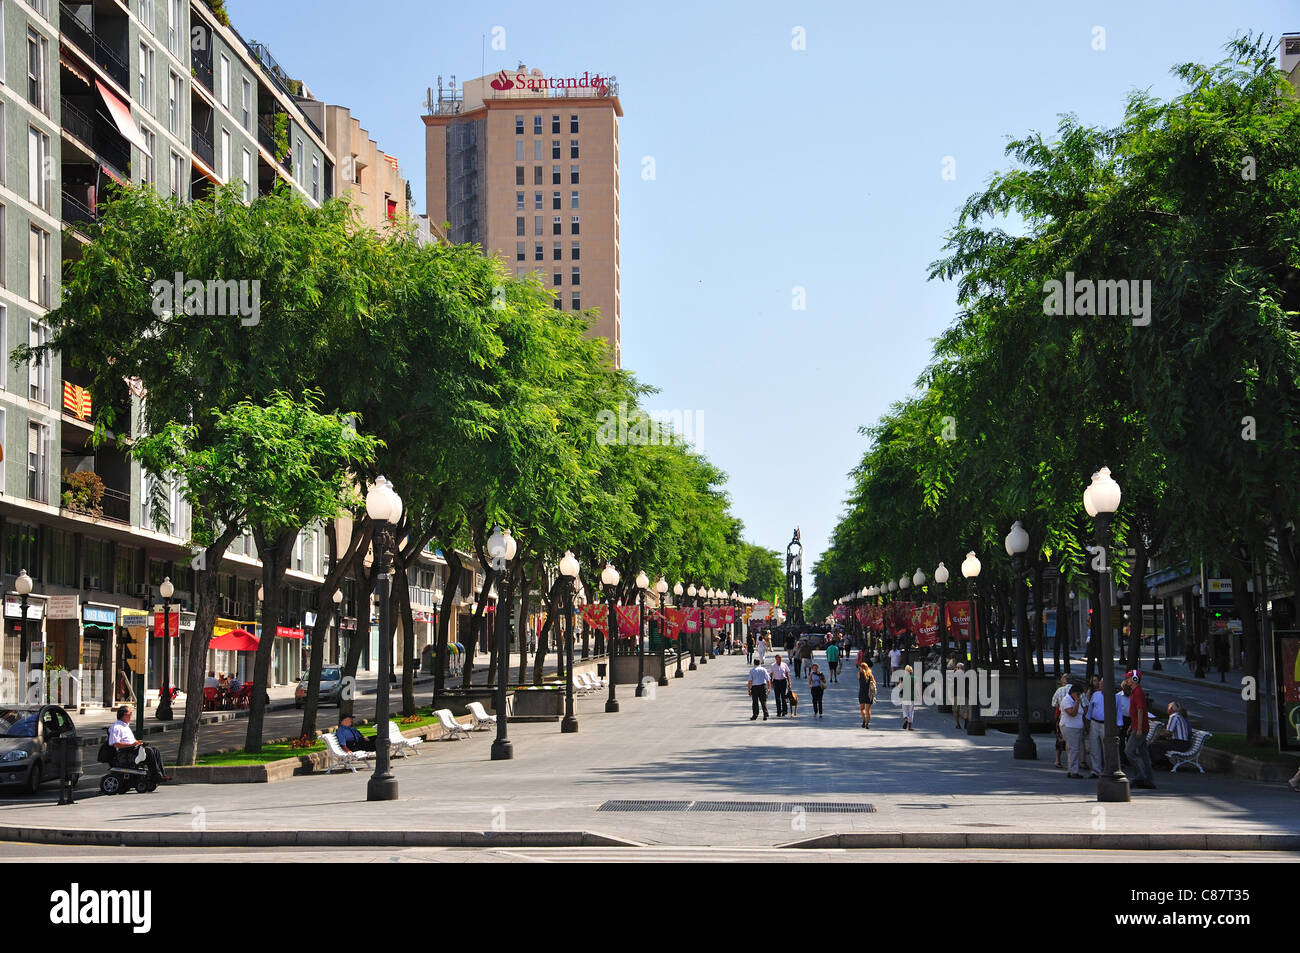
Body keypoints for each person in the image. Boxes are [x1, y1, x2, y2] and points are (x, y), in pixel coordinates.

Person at [107, 706, 170, 781]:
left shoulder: (125, 726)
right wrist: (133, 744)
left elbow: (129, 740)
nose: (131, 715)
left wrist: (137, 742)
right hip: (125, 752)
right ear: (125, 715)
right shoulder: (117, 727)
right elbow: (116, 744)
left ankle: (162, 774)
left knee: (155, 750)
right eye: (130, 713)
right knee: (149, 751)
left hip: (133, 748)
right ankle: (156, 774)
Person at [1124, 671, 1156, 789]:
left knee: (1128, 752)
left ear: (1135, 679)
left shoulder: (1137, 692)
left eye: (1128, 677)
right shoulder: (1135, 692)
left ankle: (1140, 777)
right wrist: (1131, 726)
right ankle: (1149, 779)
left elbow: (1140, 710)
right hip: (1138, 727)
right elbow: (1136, 712)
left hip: (1140, 729)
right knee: (1144, 755)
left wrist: (1139, 728)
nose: (1126, 679)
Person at [1150, 701, 1192, 766]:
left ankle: (1162, 763)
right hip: (1184, 743)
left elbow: (1168, 733)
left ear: (1171, 709)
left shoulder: (1173, 716)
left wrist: (1160, 735)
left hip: (1179, 744)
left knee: (1155, 744)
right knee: (1160, 743)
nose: (1167, 709)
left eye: (1168, 707)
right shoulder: (1179, 716)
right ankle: (1160, 762)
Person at [1059, 683, 1085, 778]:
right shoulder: (1066, 701)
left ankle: (1071, 769)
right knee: (1074, 749)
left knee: (1072, 749)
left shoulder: (1072, 700)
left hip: (1075, 727)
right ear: (1073, 693)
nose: (1079, 696)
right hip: (1070, 727)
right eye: (1078, 694)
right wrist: (1077, 702)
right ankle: (1074, 771)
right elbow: (1072, 713)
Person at [1084, 674, 1106, 778]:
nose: (1100, 684)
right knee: (1094, 747)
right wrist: (1088, 723)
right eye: (1100, 682)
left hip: (1105, 724)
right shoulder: (1096, 695)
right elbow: (1090, 709)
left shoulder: (1114, 697)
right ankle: (1096, 770)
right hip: (1094, 722)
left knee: (1106, 748)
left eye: (1102, 683)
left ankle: (1107, 769)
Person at [1050, 674, 1070, 768]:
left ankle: (1058, 760)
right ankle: (1070, 762)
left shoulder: (1059, 690)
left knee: (1060, 738)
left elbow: (1054, 704)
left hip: (1060, 716)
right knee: (1070, 740)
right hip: (1073, 718)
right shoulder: (1076, 691)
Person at [858, 662, 877, 729]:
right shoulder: (870, 675)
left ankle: (863, 720)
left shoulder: (860, 674)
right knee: (868, 709)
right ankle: (867, 723)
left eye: (860, 667)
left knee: (862, 708)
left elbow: (859, 680)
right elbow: (875, 683)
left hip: (862, 693)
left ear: (861, 667)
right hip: (869, 693)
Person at [898, 664, 917, 730]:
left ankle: (905, 719)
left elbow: (900, 687)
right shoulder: (914, 678)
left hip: (904, 697)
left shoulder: (902, 678)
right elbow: (917, 688)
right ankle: (910, 726)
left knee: (905, 711)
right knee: (911, 712)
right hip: (911, 697)